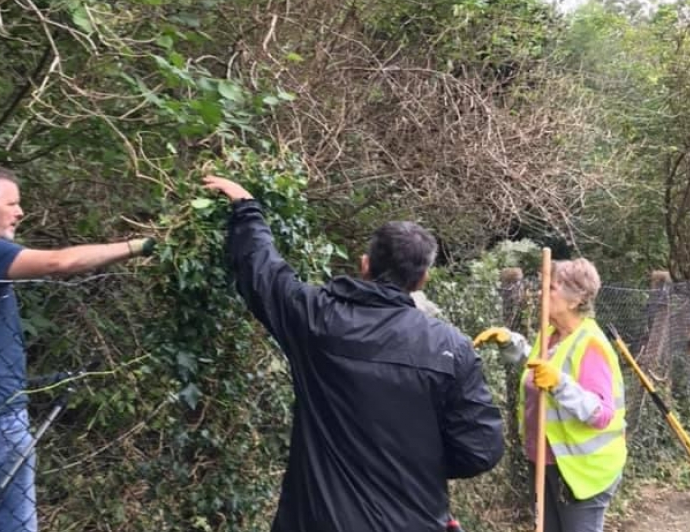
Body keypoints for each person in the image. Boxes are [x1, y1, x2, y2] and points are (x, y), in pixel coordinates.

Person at [201, 175, 504, 532]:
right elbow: (480, 449)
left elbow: (263, 274)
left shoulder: (318, 320)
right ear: (422, 279)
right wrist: (417, 463)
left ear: (364, 265)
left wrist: (246, 208)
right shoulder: (450, 348)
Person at [0, 163, 155, 532]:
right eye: (13, 203)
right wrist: (136, 245)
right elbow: (60, 262)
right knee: (13, 523)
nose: (21, 212)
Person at [475, 258, 626, 532]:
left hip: (582, 470)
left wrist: (559, 384)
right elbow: (540, 368)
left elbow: (601, 414)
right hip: (546, 461)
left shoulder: (590, 344)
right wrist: (511, 342)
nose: (540, 294)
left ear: (575, 299)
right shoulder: (552, 335)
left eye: (550, 288)